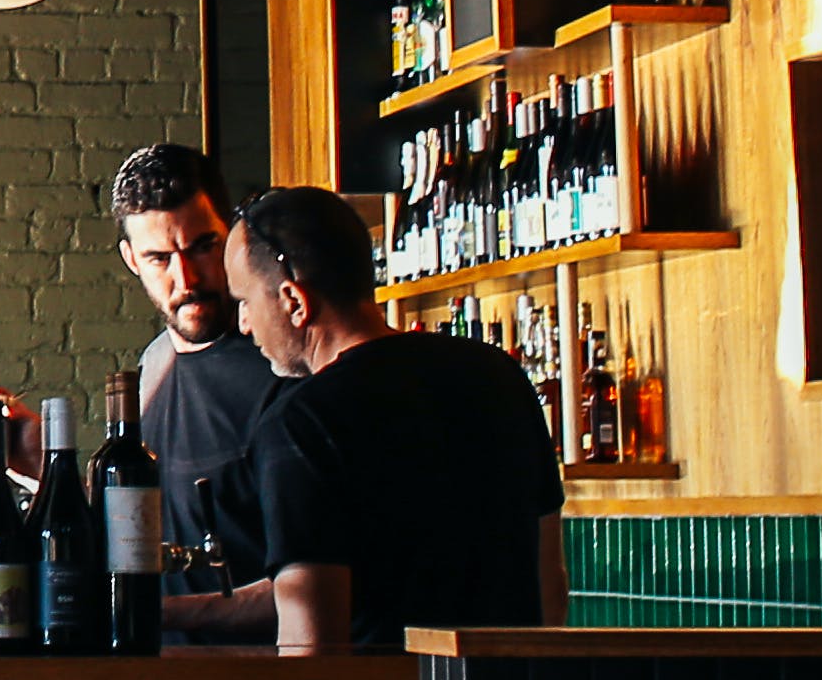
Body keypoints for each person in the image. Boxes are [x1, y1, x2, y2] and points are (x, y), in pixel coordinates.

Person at [161, 186, 562, 653]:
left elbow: (310, 653)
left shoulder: (302, 423)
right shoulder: (499, 375)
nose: (244, 323)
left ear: (293, 300)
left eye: (245, 300)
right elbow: (549, 583)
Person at [104, 144, 283, 554]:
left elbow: (317, 576)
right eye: (159, 258)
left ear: (234, 235)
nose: (186, 278)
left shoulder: (280, 366)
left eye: (203, 247)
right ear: (132, 260)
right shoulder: (153, 364)